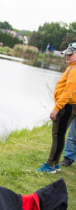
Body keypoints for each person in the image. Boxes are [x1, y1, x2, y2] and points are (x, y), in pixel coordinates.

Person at [36, 43, 76, 173]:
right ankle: (56, 164)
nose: (67, 55)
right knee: (60, 134)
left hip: (67, 107)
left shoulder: (74, 69)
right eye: (67, 53)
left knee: (57, 135)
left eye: (71, 53)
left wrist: (57, 107)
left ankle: (50, 165)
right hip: (68, 106)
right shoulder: (72, 67)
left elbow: (69, 91)